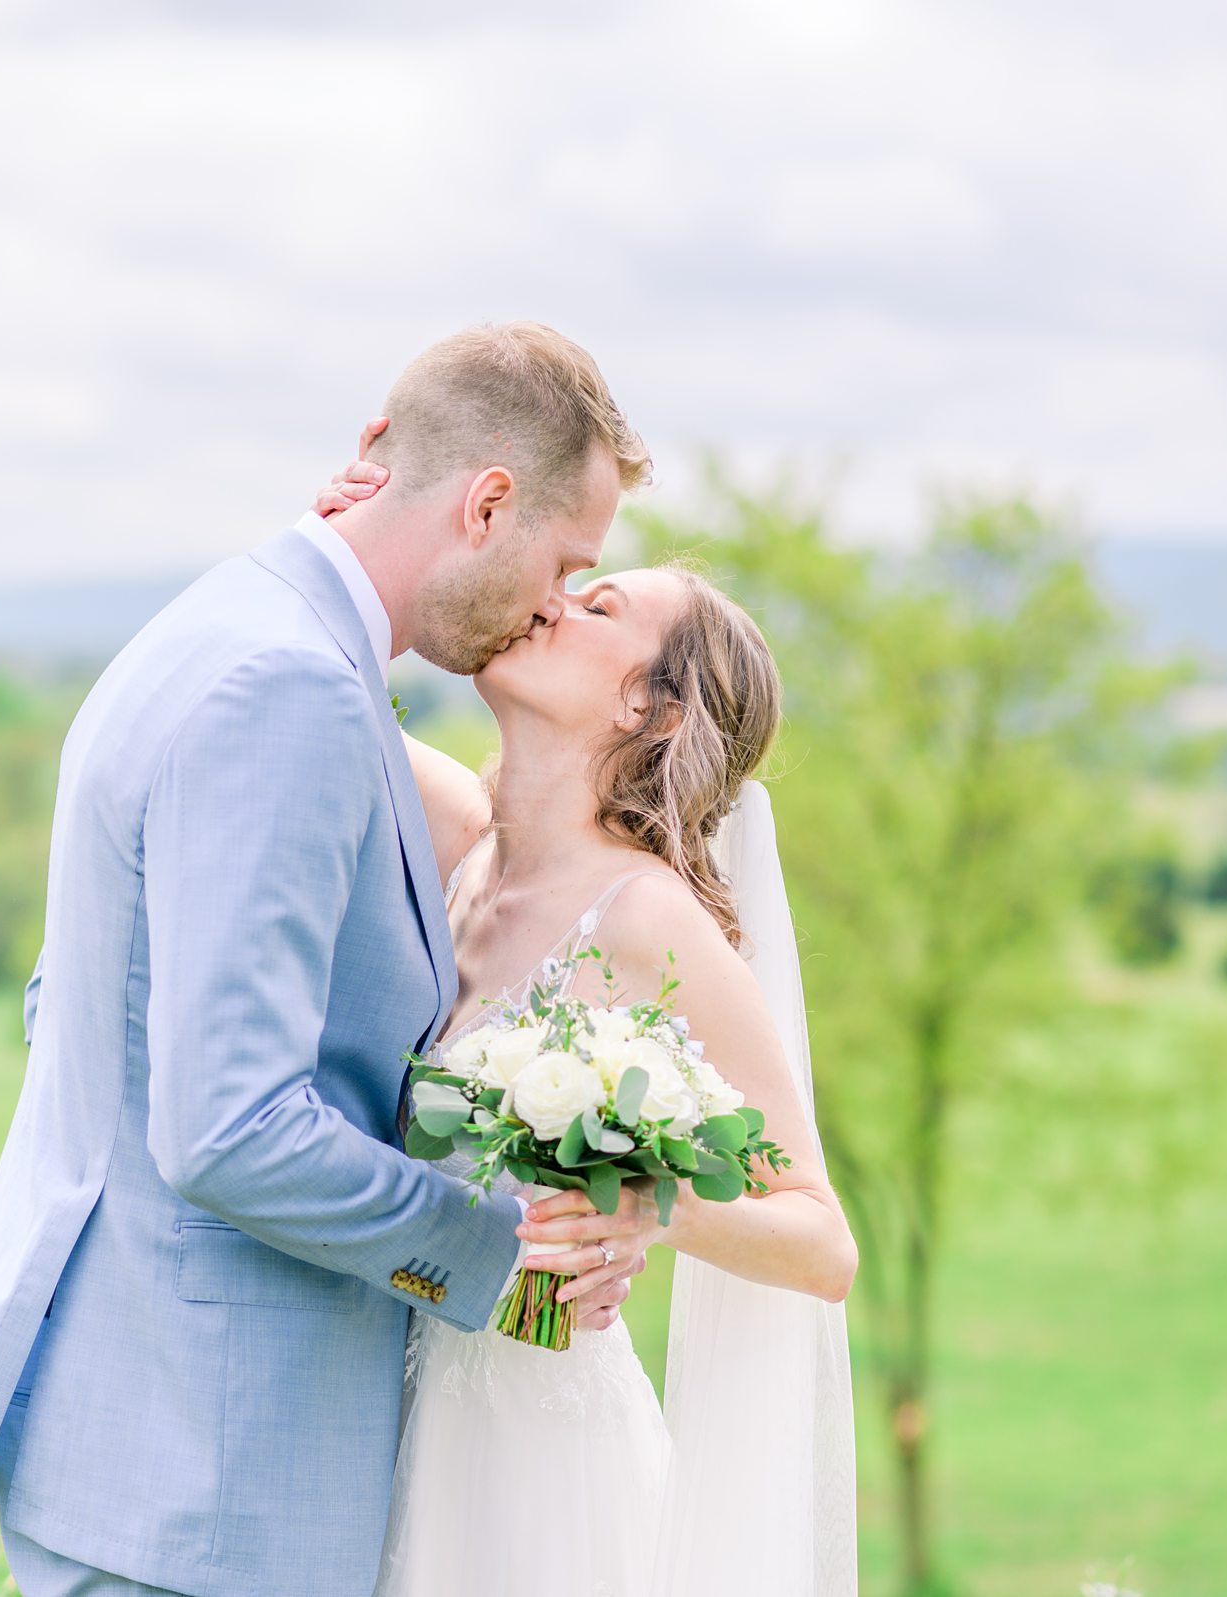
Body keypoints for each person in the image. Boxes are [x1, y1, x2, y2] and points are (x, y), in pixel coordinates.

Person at [0, 322, 664, 1597]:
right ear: (488, 502)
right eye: (566, 562)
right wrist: (498, 1249)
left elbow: (88, 998)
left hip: (162, 1453)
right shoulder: (285, 689)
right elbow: (229, 1127)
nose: (555, 603)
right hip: (208, 1478)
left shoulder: (237, 627)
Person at [312, 447, 861, 1596]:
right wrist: (351, 517)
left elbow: (821, 1239)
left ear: (644, 704)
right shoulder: (465, 848)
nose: (551, 598)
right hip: (388, 1416)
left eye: (597, 603)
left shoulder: (647, 919)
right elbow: (311, 684)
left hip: (538, 1463)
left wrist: (646, 1203)